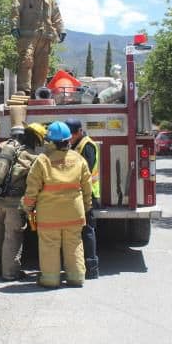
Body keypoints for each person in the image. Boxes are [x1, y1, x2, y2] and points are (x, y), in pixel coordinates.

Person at [22, 121, 92, 288]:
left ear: (50, 141)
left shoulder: (42, 161)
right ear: (68, 139)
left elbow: (32, 189)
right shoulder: (78, 159)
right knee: (74, 244)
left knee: (49, 246)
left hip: (49, 216)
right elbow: (87, 187)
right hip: (74, 213)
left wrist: (27, 207)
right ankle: (76, 278)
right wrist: (86, 206)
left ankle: (50, 280)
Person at [0, 123, 46, 281]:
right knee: (12, 236)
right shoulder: (33, 156)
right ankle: (10, 273)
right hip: (14, 202)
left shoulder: (3, 147)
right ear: (36, 140)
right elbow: (34, 182)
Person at [10, 0, 66, 97]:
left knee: (42, 64)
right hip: (27, 36)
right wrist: (14, 26)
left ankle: (38, 90)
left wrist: (61, 29)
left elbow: (56, 15)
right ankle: (24, 90)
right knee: (26, 60)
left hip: (45, 36)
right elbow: (15, 10)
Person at [65, 118, 101, 279]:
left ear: (80, 131)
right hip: (76, 194)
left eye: (72, 134)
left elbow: (85, 172)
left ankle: (91, 267)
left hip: (88, 195)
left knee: (87, 231)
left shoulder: (87, 146)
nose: (70, 137)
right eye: (68, 134)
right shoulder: (74, 144)